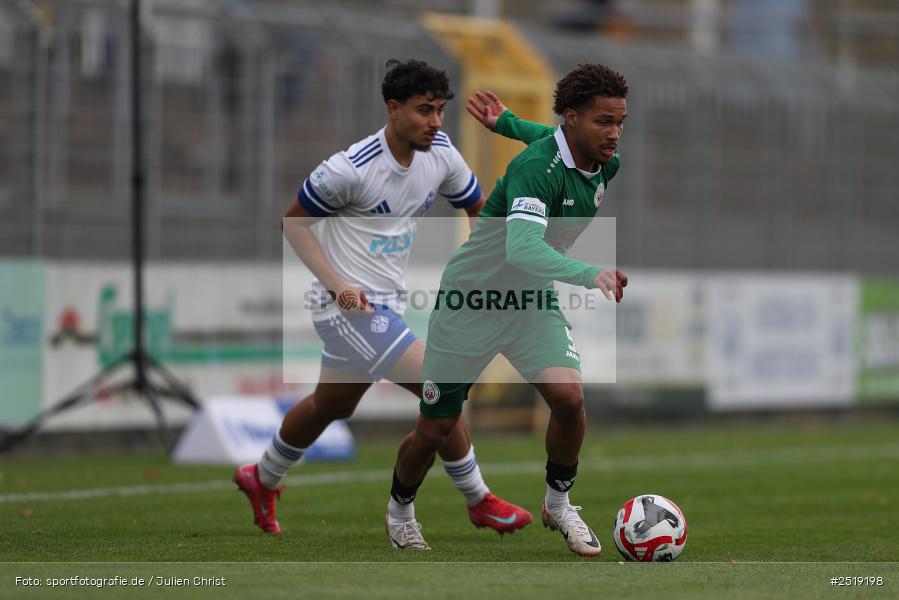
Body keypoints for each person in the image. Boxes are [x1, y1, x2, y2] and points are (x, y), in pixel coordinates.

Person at [234, 59, 533, 542]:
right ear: (393, 109)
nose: (435, 121)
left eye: (439, 110)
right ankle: (479, 500)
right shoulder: (349, 169)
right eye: (423, 111)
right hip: (345, 308)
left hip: (386, 306)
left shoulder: (441, 153)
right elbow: (293, 223)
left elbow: (478, 207)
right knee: (442, 383)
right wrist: (337, 285)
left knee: (331, 404)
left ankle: (261, 476)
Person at [385, 63, 630, 556]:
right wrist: (589, 273)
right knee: (435, 427)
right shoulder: (534, 171)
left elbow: (552, 137)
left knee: (569, 399)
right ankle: (401, 511)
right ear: (573, 117)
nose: (614, 133)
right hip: (472, 300)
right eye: (604, 121)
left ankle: (559, 504)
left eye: (620, 121)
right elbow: (521, 249)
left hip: (529, 302)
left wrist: (508, 123)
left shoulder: (605, 160)